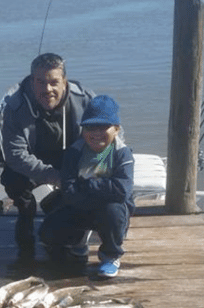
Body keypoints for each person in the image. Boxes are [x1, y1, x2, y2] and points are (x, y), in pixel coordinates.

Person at [0, 53, 96, 253]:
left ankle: (66, 206)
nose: (47, 89)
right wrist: (55, 177)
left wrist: (87, 169)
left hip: (72, 159)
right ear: (32, 81)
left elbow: (111, 138)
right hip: (32, 160)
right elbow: (15, 155)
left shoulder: (86, 100)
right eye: (40, 82)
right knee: (11, 177)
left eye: (54, 82)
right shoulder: (15, 107)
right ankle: (26, 213)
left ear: (64, 82)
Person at [38, 95, 135, 279]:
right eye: (91, 127)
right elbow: (69, 190)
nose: (96, 133)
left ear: (116, 129)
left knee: (112, 210)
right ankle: (78, 240)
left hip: (112, 210)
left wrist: (89, 184)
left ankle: (110, 255)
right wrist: (102, 189)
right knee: (47, 234)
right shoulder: (74, 153)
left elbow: (123, 190)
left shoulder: (122, 154)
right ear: (83, 129)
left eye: (103, 127)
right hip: (80, 205)